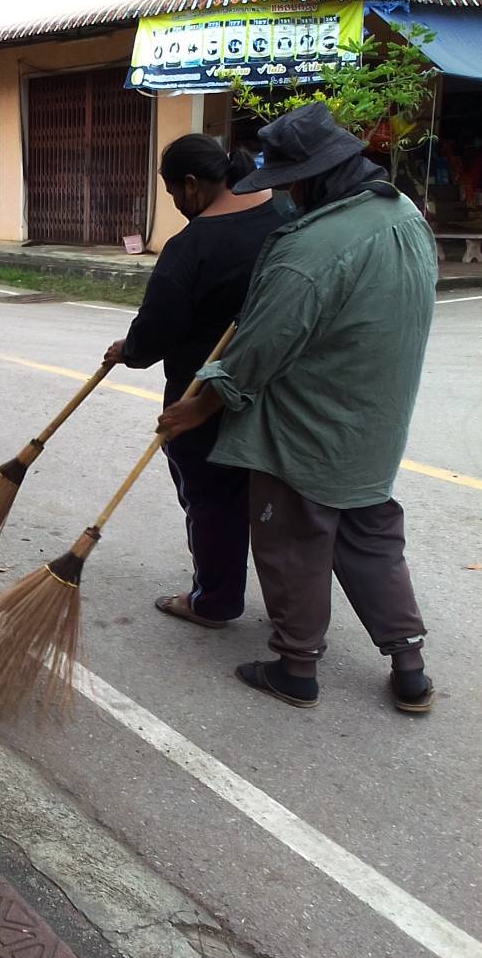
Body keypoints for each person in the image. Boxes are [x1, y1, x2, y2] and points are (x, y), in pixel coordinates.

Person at [158, 103, 437, 714]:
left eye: (290, 184)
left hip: (310, 426)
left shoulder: (310, 249)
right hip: (377, 423)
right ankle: (409, 665)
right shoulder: (404, 215)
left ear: (314, 177)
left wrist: (199, 408)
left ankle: (295, 667)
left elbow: (258, 350)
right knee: (371, 538)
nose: (285, 196)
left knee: (294, 542)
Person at [105, 135, 283, 628]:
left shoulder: (192, 246)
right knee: (274, 500)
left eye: (174, 194)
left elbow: (157, 328)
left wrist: (131, 351)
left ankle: (215, 600)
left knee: (211, 498)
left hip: (202, 396)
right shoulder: (282, 217)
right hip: (277, 390)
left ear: (192, 184)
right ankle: (294, 608)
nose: (178, 206)